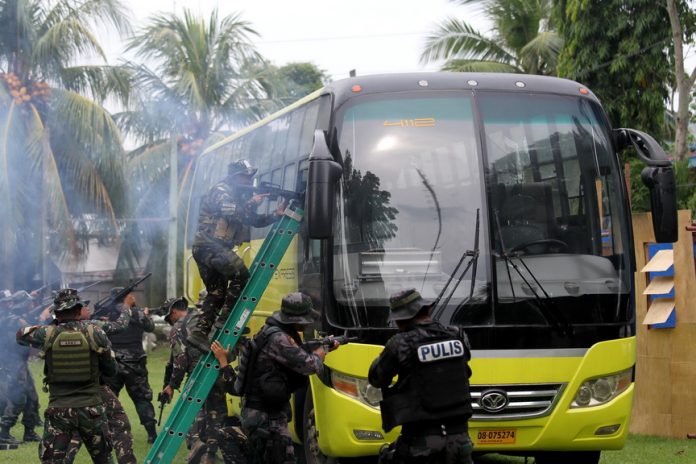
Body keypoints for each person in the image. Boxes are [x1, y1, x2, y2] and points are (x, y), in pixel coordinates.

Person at [214, 292, 339, 464]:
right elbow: (311, 366)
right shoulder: (279, 338)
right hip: (267, 418)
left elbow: (296, 351)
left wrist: (322, 344)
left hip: (258, 413)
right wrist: (321, 351)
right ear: (295, 318)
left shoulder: (270, 333)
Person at [188, 159, 286, 351]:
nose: (250, 181)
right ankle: (225, 322)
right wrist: (252, 201)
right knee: (242, 276)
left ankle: (199, 333)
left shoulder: (238, 197)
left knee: (217, 294)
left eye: (251, 178)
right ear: (234, 177)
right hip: (210, 247)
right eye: (245, 177)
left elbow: (253, 220)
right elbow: (232, 212)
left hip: (210, 248)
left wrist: (276, 214)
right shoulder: (221, 191)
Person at [368, 288, 474, 464]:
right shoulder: (458, 335)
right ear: (426, 310)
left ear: (402, 318)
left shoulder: (400, 343)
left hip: (421, 443)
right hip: (460, 439)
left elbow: (376, 379)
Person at [16, 288, 117, 463]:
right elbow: (111, 370)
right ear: (79, 310)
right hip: (92, 409)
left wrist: (47, 320)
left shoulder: (47, 333)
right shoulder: (95, 332)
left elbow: (20, 335)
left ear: (57, 313)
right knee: (103, 459)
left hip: (59, 411)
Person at [160, 296, 246, 464]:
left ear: (174, 312)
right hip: (217, 374)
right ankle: (210, 456)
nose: (170, 321)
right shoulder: (211, 321)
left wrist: (171, 385)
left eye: (169, 317)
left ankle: (197, 447)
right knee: (215, 417)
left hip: (197, 376)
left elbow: (180, 360)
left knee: (193, 416)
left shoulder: (178, 327)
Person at [65, 298, 137, 464]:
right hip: (94, 387)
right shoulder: (92, 326)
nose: (88, 309)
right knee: (120, 423)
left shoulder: (54, 330)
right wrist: (127, 306)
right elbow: (121, 326)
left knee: (76, 429)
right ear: (77, 311)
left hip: (66, 390)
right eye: (85, 307)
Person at [102, 287, 158, 443]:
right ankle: (152, 434)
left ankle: (109, 434)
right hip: (134, 363)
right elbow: (150, 327)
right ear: (126, 298)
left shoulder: (104, 314)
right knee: (142, 399)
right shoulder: (136, 312)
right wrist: (144, 314)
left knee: (109, 399)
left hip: (111, 363)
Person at [0, 291, 42, 444]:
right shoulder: (13, 320)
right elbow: (37, 337)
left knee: (31, 397)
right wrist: (44, 319)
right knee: (18, 398)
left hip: (20, 363)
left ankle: (29, 431)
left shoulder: (15, 318)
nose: (31, 304)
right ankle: (4, 432)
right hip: (13, 364)